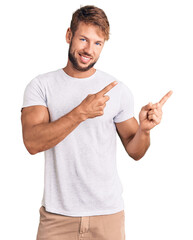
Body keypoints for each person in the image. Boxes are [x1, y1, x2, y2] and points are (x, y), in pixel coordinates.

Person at [21, 5, 172, 240]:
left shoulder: (117, 89)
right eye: (83, 39)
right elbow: (32, 142)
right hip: (57, 218)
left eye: (97, 43)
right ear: (69, 35)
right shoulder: (41, 86)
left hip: (107, 216)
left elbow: (135, 151)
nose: (88, 49)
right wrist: (80, 112)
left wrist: (144, 130)